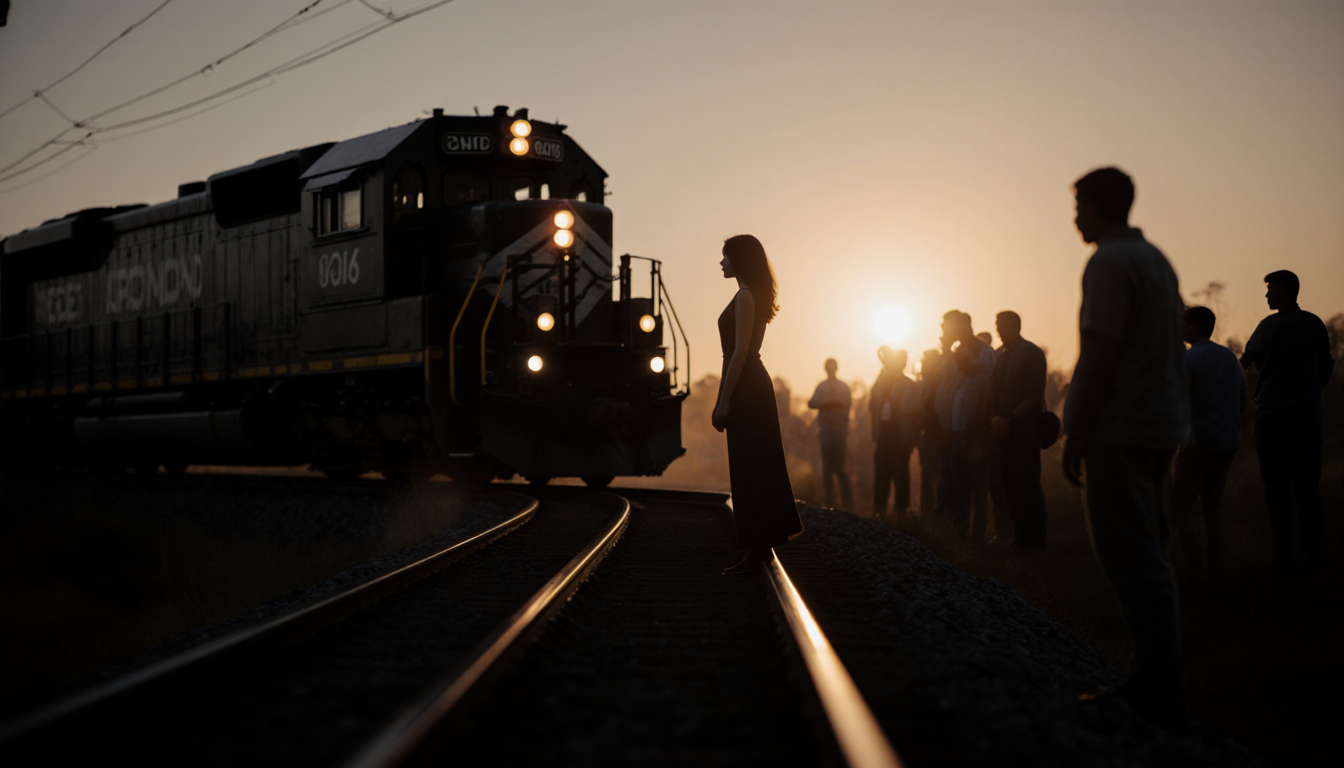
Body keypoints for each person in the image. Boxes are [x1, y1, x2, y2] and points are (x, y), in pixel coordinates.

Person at [1062, 167, 1190, 726]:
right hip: (1162, 425)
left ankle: (1156, 685)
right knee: (1149, 550)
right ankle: (1160, 675)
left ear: (1099, 206)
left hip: (1123, 427)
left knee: (1129, 553)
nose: (1075, 218)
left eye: (1080, 206)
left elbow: (1099, 352)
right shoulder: (1156, 260)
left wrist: (1077, 428)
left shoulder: (1108, 263)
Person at [712, 235, 804, 574]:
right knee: (751, 464)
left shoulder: (746, 297)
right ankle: (757, 547)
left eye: (726, 257)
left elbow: (742, 353)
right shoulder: (747, 295)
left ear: (740, 260)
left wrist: (723, 400)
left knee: (752, 465)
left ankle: (758, 547)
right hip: (748, 385)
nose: (721, 263)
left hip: (748, 387)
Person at [1240, 270, 1334, 582]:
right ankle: (1314, 564)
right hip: (1308, 417)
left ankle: (1283, 566)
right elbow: (1326, 367)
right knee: (1308, 491)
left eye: (1269, 291)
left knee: (1277, 491)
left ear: (1282, 290)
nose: (1266, 297)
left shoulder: (1269, 325)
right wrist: (1309, 392)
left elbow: (1245, 361)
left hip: (1273, 419)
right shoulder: (1314, 324)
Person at [1169, 306, 1246, 582]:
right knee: (1213, 507)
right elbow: (1243, 399)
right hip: (1227, 442)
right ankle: (1217, 571)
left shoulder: (1189, 360)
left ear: (1194, 329)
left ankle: (1195, 570)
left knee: (1179, 508)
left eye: (1182, 324)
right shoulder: (1229, 356)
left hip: (1198, 442)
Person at [990, 310, 1049, 550]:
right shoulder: (998, 355)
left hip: (1024, 429)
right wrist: (995, 419)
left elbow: (1035, 394)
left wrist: (1010, 421)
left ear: (1014, 325)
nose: (998, 329)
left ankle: (1036, 542)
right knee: (1009, 485)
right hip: (1002, 430)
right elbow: (991, 392)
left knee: (1027, 484)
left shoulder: (1031, 353)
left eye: (1001, 325)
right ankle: (1020, 538)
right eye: (996, 325)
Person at [935, 310, 994, 538]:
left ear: (961, 327)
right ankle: (957, 537)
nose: (943, 332)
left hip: (975, 430)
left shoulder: (984, 352)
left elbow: (978, 376)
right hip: (953, 430)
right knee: (956, 486)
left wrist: (957, 352)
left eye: (947, 327)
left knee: (977, 487)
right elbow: (945, 393)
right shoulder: (952, 356)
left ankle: (978, 541)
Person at [870, 347, 917, 521]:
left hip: (901, 437)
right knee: (881, 475)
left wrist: (910, 437)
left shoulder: (909, 385)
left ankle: (901, 513)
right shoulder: (881, 382)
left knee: (901, 476)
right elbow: (872, 404)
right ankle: (879, 513)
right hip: (883, 436)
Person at [807, 358, 854, 509]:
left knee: (840, 468)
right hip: (826, 432)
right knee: (827, 469)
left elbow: (847, 410)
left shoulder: (843, 388)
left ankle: (847, 502)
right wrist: (828, 404)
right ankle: (830, 501)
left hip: (839, 432)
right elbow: (811, 403)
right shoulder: (822, 387)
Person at [917, 348, 944, 516]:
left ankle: (934, 512)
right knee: (927, 475)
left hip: (937, 436)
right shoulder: (926, 385)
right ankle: (927, 510)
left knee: (935, 475)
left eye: (927, 363)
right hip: (927, 436)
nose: (924, 366)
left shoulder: (939, 384)